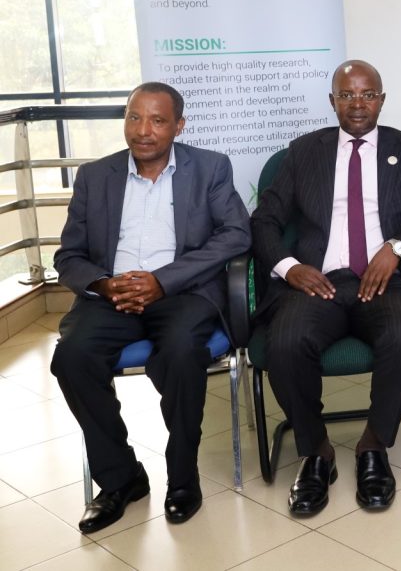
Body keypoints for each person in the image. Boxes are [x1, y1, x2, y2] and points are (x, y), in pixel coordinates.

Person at [250, 60, 401, 517]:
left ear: (381, 99)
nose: (357, 103)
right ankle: (316, 452)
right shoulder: (304, 152)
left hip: (387, 282)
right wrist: (289, 267)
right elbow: (264, 220)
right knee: (283, 342)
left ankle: (374, 446)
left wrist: (397, 247)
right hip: (319, 281)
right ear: (333, 102)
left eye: (367, 94)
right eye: (347, 95)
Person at [50, 82, 251, 533]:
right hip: (112, 296)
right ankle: (122, 479)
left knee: (181, 352)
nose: (144, 131)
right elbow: (69, 256)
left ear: (179, 125)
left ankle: (182, 477)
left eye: (158, 120)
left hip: (182, 292)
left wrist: (163, 281)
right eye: (135, 118)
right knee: (72, 357)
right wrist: (105, 284)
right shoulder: (94, 176)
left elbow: (237, 234)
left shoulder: (210, 168)